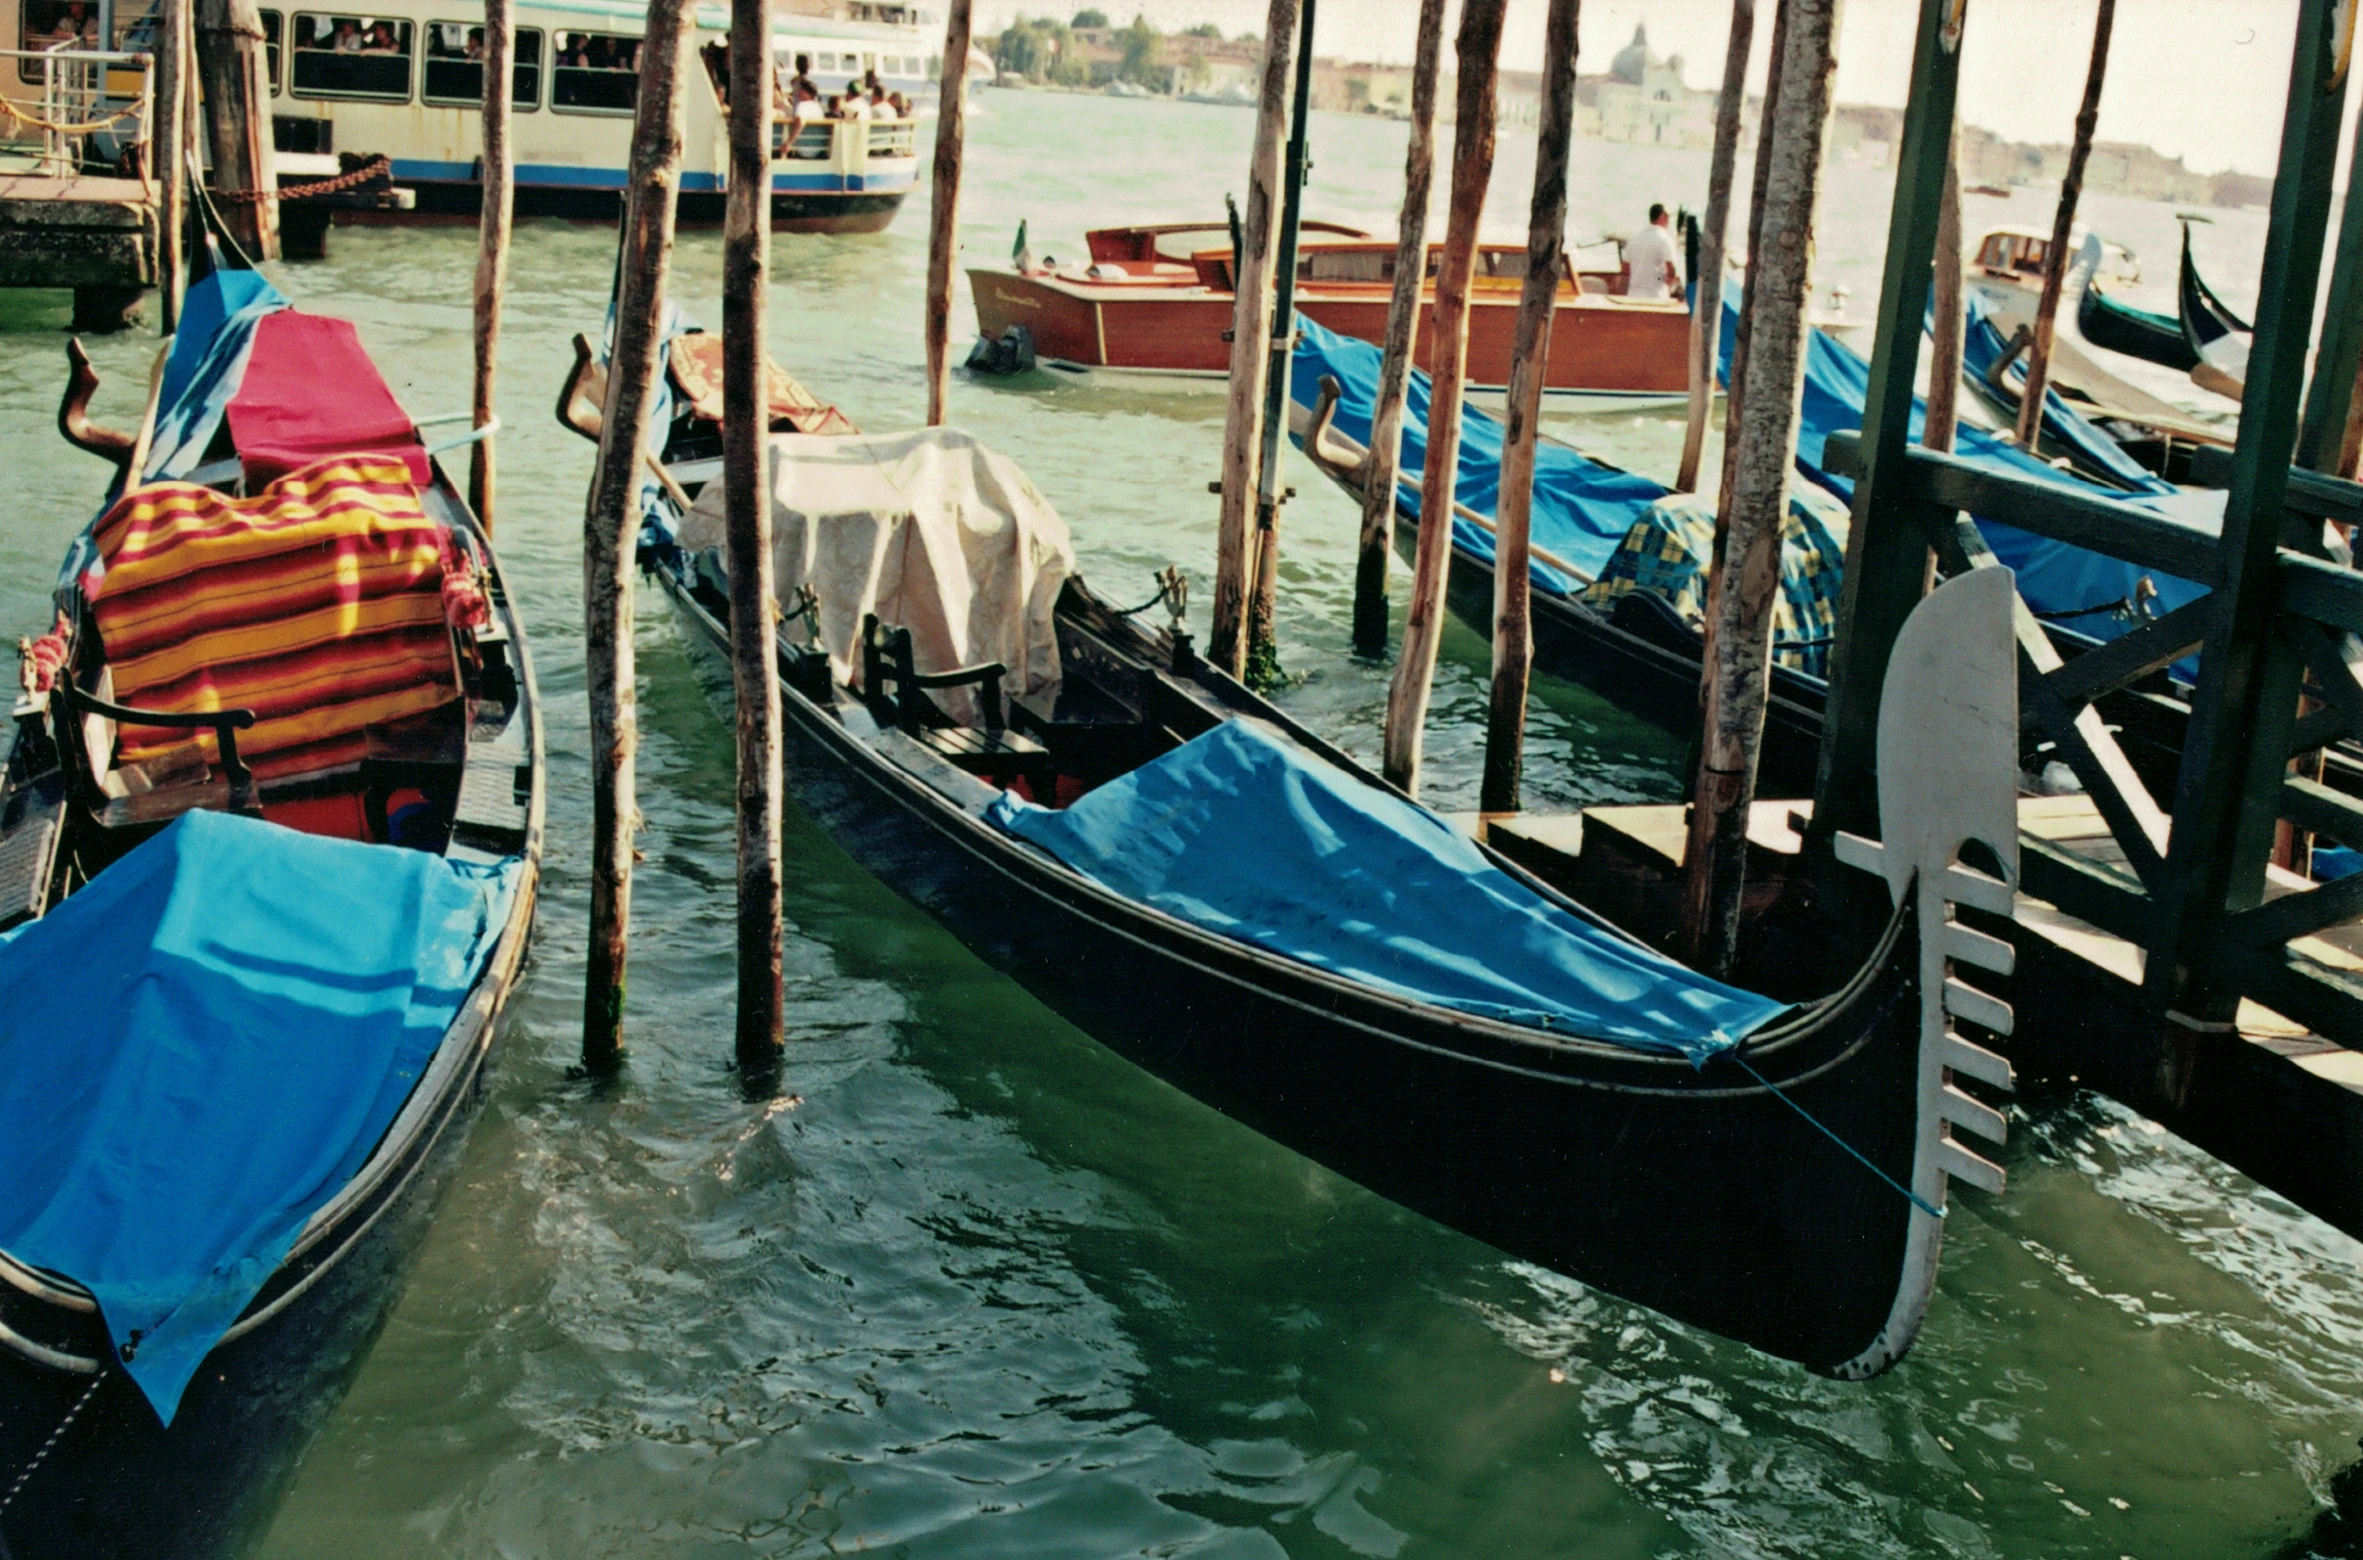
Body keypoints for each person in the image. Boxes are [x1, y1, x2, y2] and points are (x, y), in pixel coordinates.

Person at [1620, 203, 1682, 300]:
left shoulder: (1634, 239)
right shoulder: (1665, 239)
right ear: (1662, 217)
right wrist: (1664, 280)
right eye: (1668, 217)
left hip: (1633, 296)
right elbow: (1671, 269)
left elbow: (1625, 270)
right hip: (1656, 297)